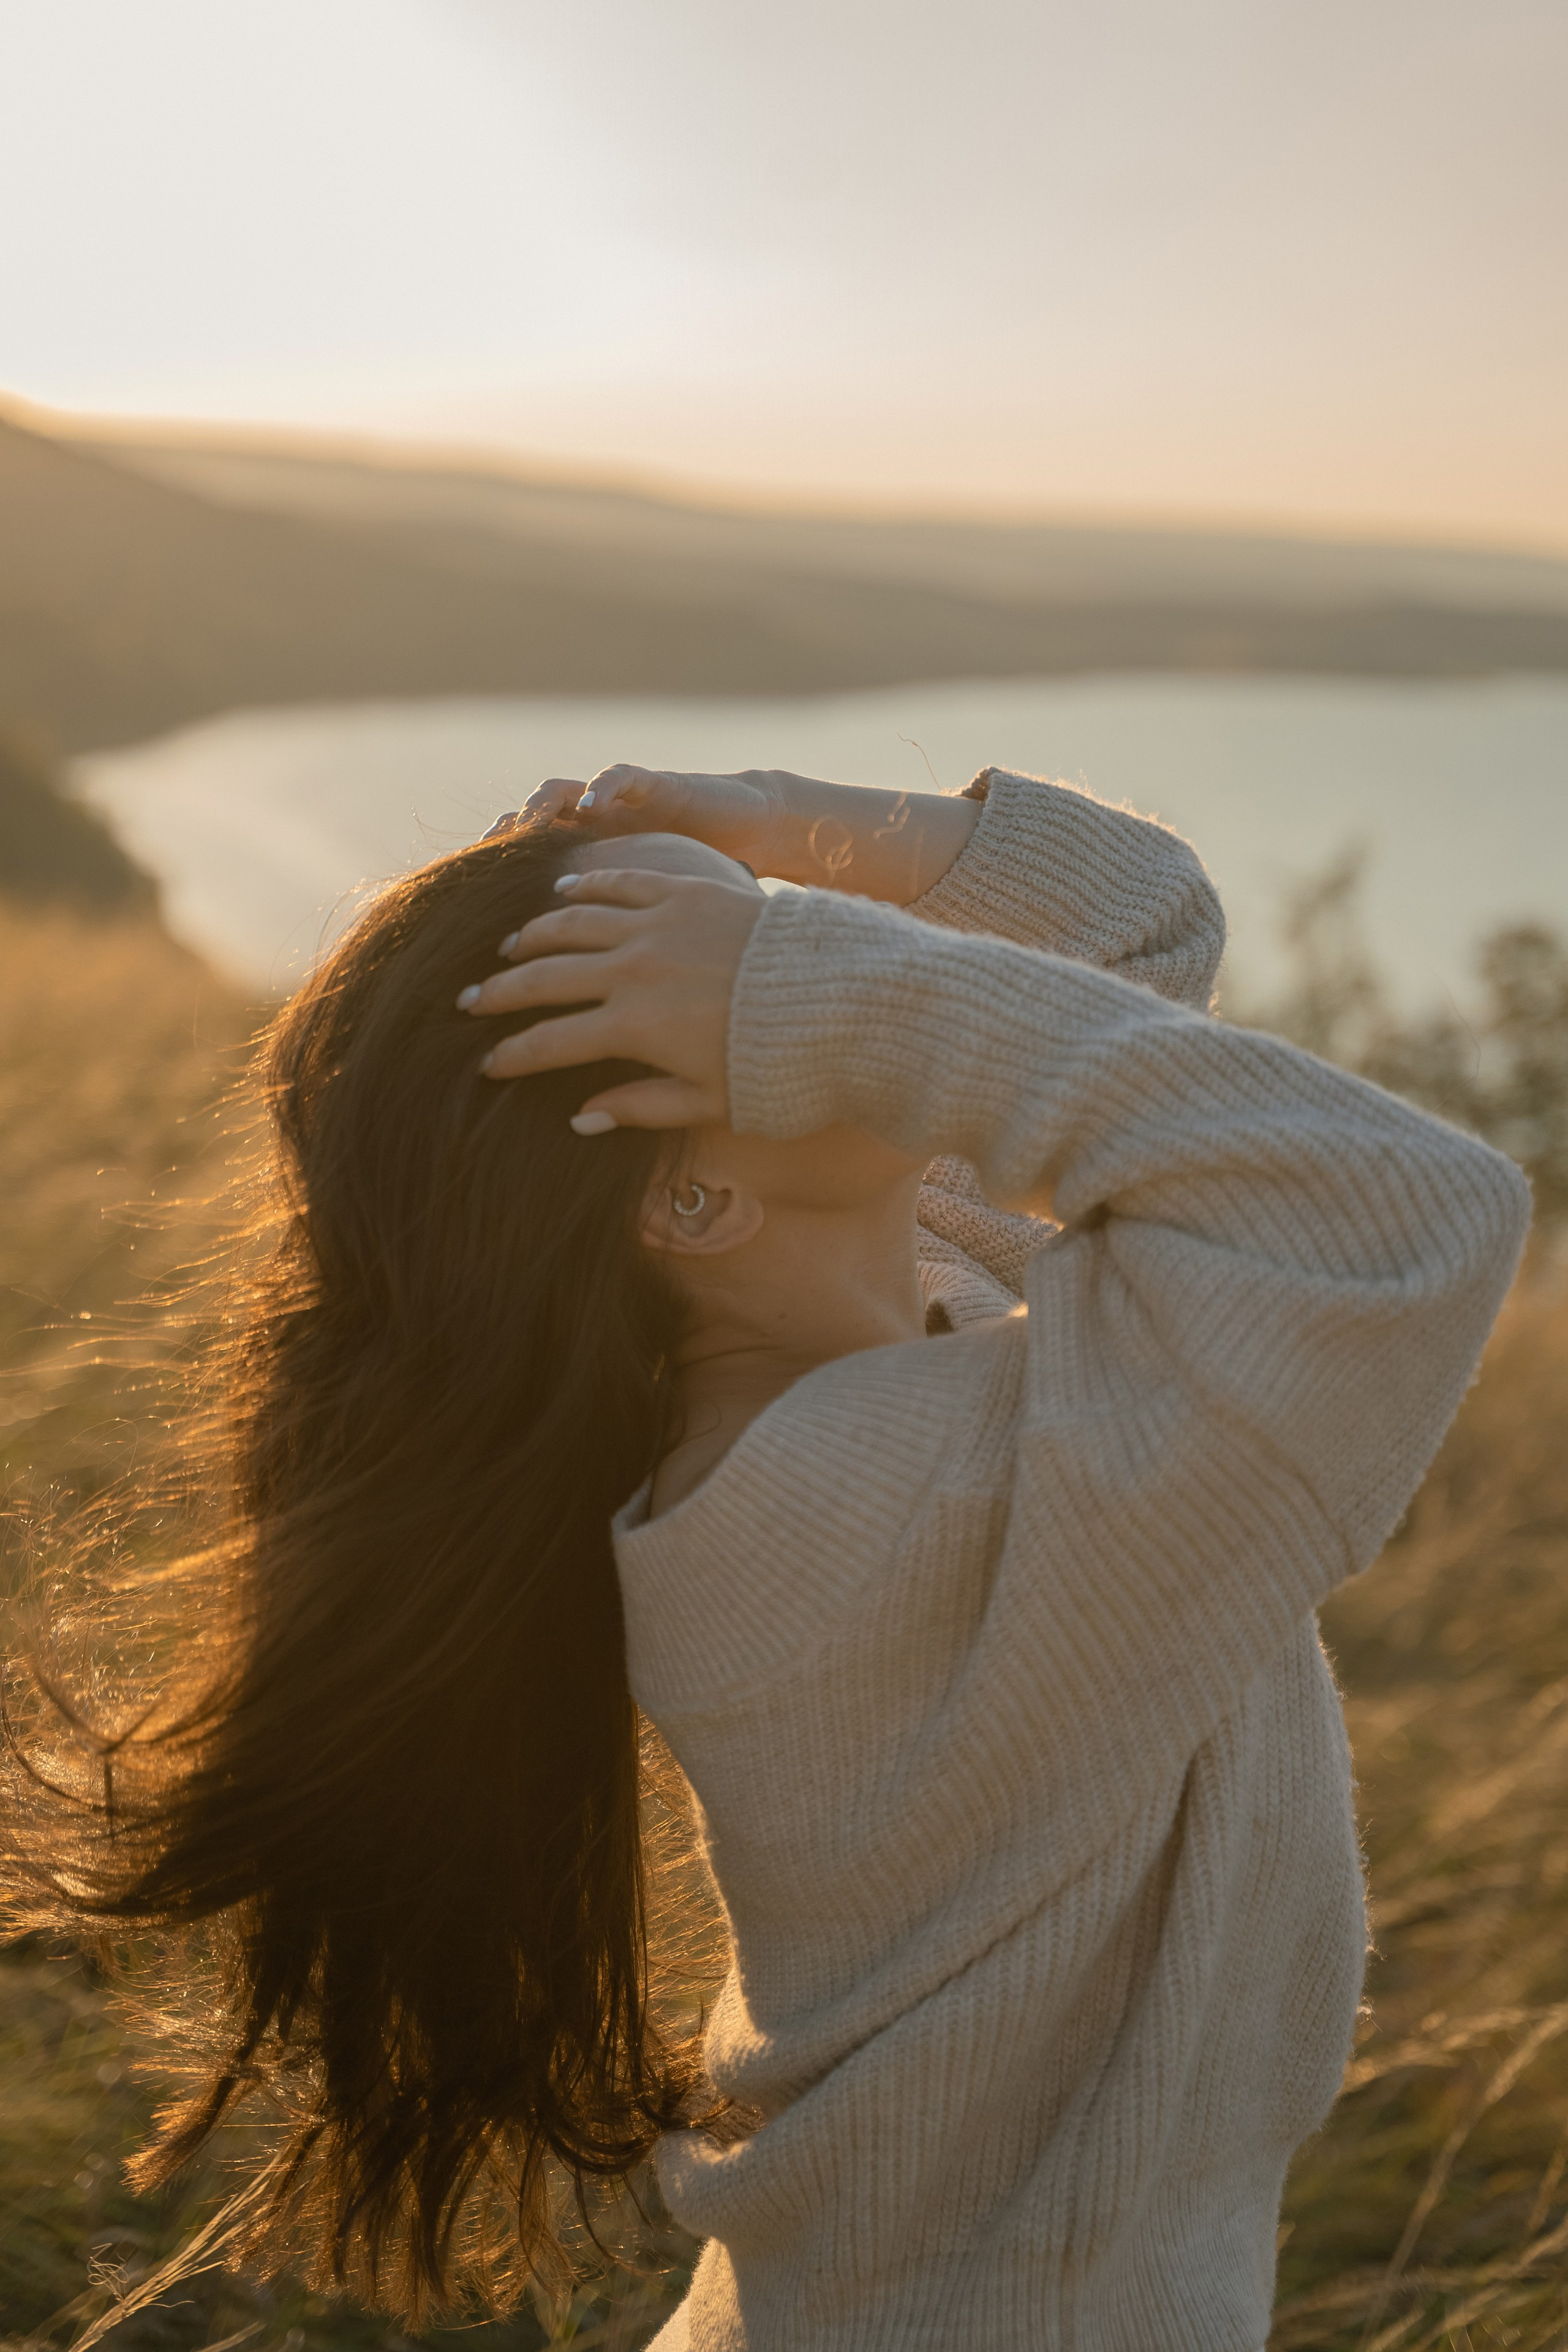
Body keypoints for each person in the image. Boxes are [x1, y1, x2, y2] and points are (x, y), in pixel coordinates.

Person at [7, 763, 1529, 2352]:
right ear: (695, 1193)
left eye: (751, 943)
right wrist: (806, 981)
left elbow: (1134, 920)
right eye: (727, 987)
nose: (788, 959)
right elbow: (1401, 1211)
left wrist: (756, 827)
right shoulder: (867, 1523)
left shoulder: (872, 1341)